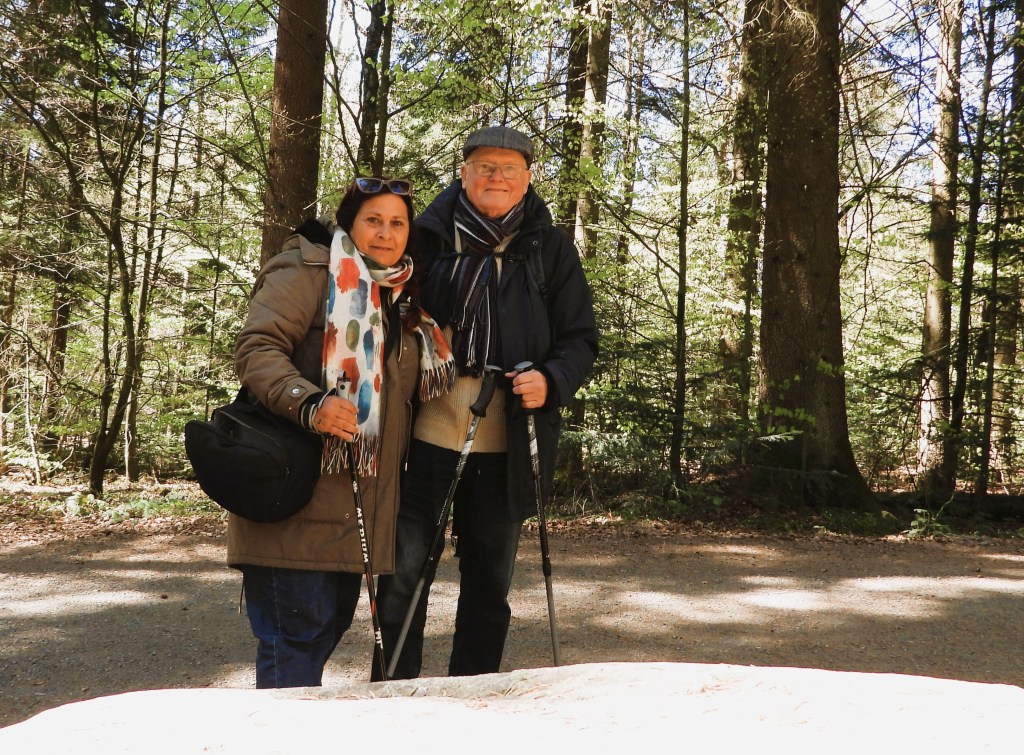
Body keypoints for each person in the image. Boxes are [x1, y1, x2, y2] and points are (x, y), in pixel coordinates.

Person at [373, 126, 599, 680]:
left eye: (508, 168)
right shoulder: (425, 236)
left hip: (509, 441)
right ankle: (392, 698)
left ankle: (471, 697)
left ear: (527, 179)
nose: (496, 177)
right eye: (485, 167)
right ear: (463, 173)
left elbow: (580, 338)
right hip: (425, 432)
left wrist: (551, 379)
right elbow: (378, 311)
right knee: (402, 575)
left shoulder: (548, 247)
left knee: (489, 583)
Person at [229, 177, 454, 688]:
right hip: (295, 499)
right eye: (373, 219)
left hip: (354, 512)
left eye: (398, 222)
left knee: (320, 633)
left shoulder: (400, 301)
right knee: (295, 645)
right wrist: (309, 403)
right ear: (349, 222)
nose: (386, 232)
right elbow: (257, 349)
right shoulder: (307, 271)